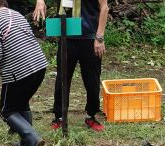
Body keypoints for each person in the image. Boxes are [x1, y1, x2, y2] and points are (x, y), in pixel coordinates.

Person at [0, 0, 49, 146]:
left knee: (7, 110)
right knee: (21, 103)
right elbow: (17, 41)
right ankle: (25, 144)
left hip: (19, 71)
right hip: (39, 65)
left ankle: (32, 138)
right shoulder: (16, 14)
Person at [33, 0, 109, 132]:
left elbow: (104, 8)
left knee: (92, 81)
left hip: (90, 38)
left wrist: (99, 37)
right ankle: (59, 117)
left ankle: (91, 115)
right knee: (62, 78)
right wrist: (39, 1)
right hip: (66, 37)